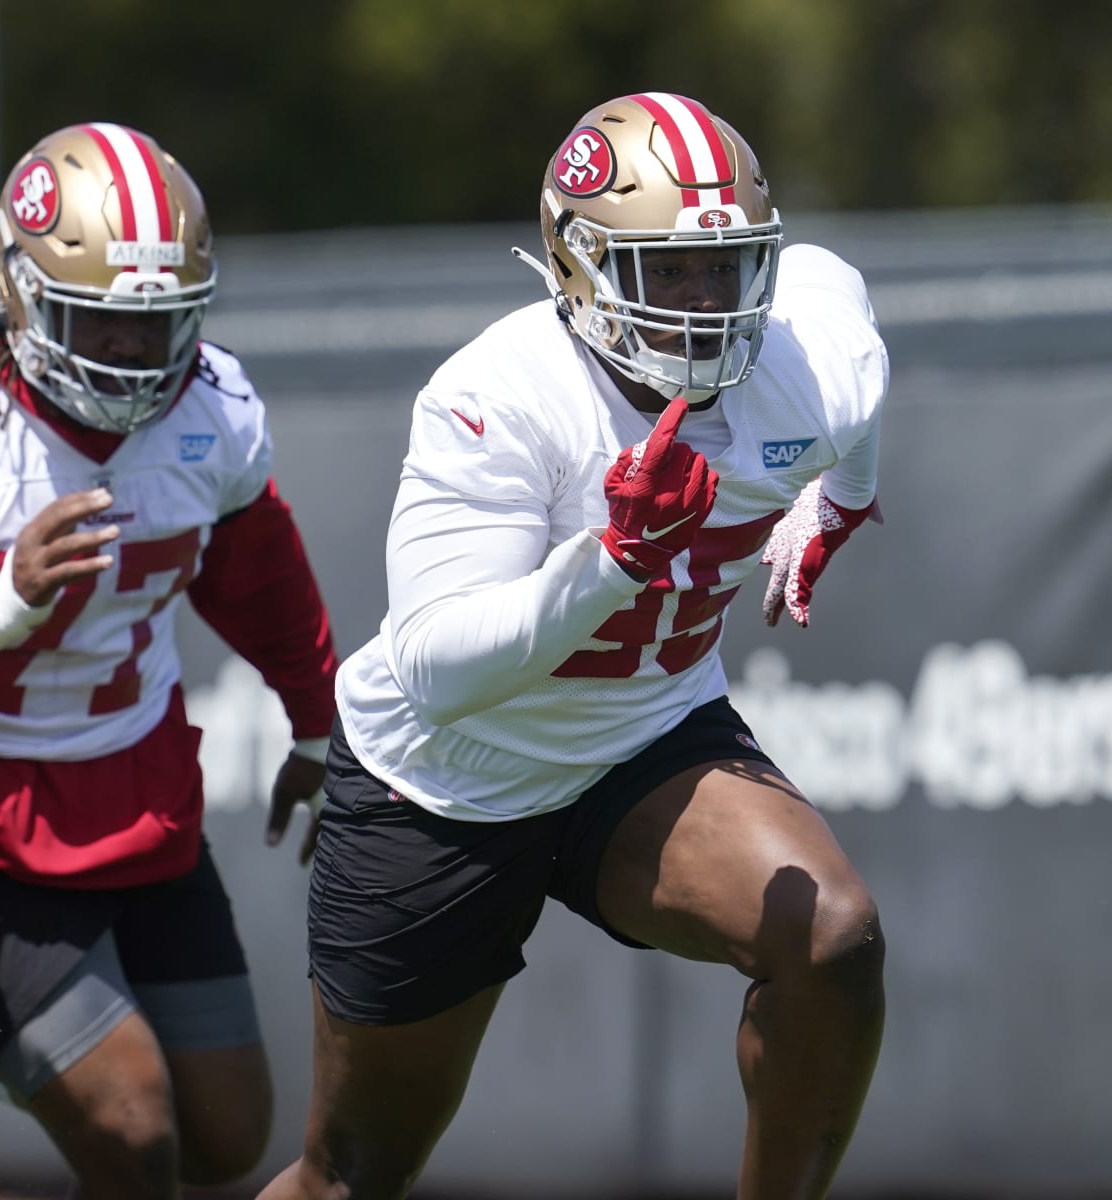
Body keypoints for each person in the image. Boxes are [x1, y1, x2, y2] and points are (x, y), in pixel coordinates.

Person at [259, 92, 888, 1200]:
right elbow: (439, 669)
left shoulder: (810, 367)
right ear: (581, 268)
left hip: (639, 746)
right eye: (667, 273)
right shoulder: (500, 395)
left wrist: (838, 504)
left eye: (727, 267)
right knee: (352, 1173)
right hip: (443, 784)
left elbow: (848, 318)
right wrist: (611, 561)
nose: (705, 304)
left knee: (829, 938)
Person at [0, 122, 340, 1199]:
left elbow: (252, 567)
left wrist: (316, 719)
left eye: (158, 325)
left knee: (228, 1133)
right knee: (131, 1129)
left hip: (122, 779)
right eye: (101, 325)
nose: (134, 360)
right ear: (22, 296)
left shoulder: (210, 406)